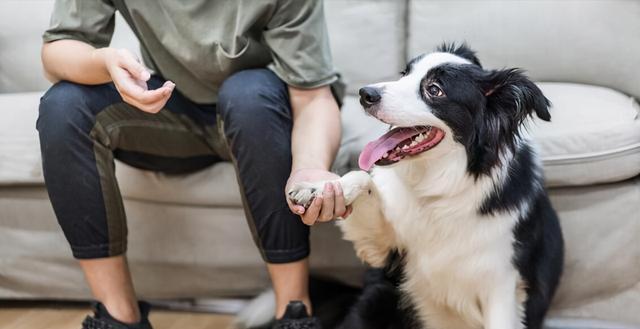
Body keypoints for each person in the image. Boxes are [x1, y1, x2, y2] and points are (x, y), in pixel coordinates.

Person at [38, 1, 346, 328]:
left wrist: (309, 167)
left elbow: (312, 96)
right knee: (64, 107)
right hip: (174, 113)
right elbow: (57, 52)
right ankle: (118, 317)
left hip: (266, 114)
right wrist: (104, 61)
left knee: (247, 93)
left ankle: (294, 313)